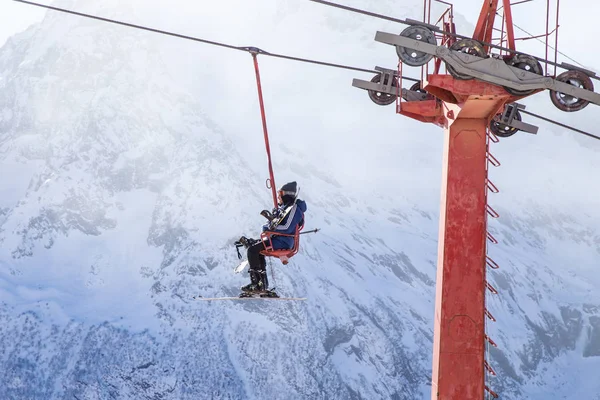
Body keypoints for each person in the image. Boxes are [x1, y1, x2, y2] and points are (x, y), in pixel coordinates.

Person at [239, 181, 307, 293]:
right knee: (255, 248)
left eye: (280, 193)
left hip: (284, 241)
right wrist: (271, 223)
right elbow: (267, 226)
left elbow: (286, 228)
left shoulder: (294, 209)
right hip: (277, 239)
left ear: (286, 194)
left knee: (253, 250)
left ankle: (257, 283)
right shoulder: (284, 208)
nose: (278, 197)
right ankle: (262, 284)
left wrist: (271, 229)